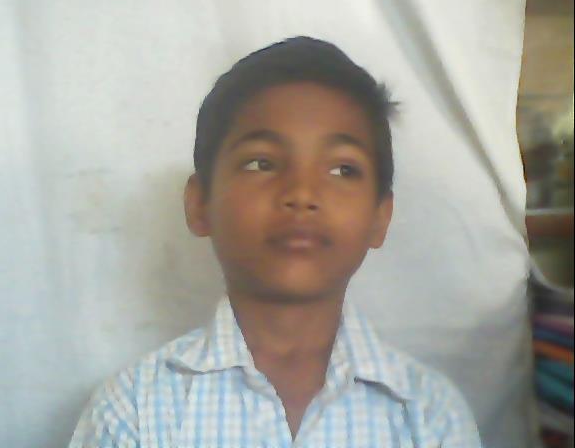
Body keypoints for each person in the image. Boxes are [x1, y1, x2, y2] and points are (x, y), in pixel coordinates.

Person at [68, 36, 482, 447]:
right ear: (200, 204)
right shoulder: (134, 411)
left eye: (342, 170)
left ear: (380, 217)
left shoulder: (429, 415)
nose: (301, 193)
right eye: (261, 163)